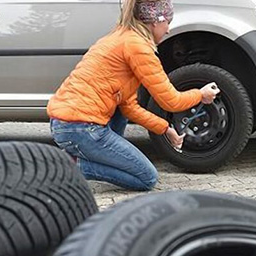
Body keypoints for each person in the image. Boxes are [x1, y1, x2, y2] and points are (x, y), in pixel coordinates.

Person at [47, 0, 220, 191]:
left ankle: (96, 158)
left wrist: (165, 129)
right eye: (168, 23)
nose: (169, 30)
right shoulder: (138, 47)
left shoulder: (120, 37)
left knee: (120, 112)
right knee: (146, 178)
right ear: (156, 21)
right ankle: (68, 166)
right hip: (82, 128)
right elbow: (171, 101)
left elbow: (129, 107)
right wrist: (200, 95)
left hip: (65, 125)